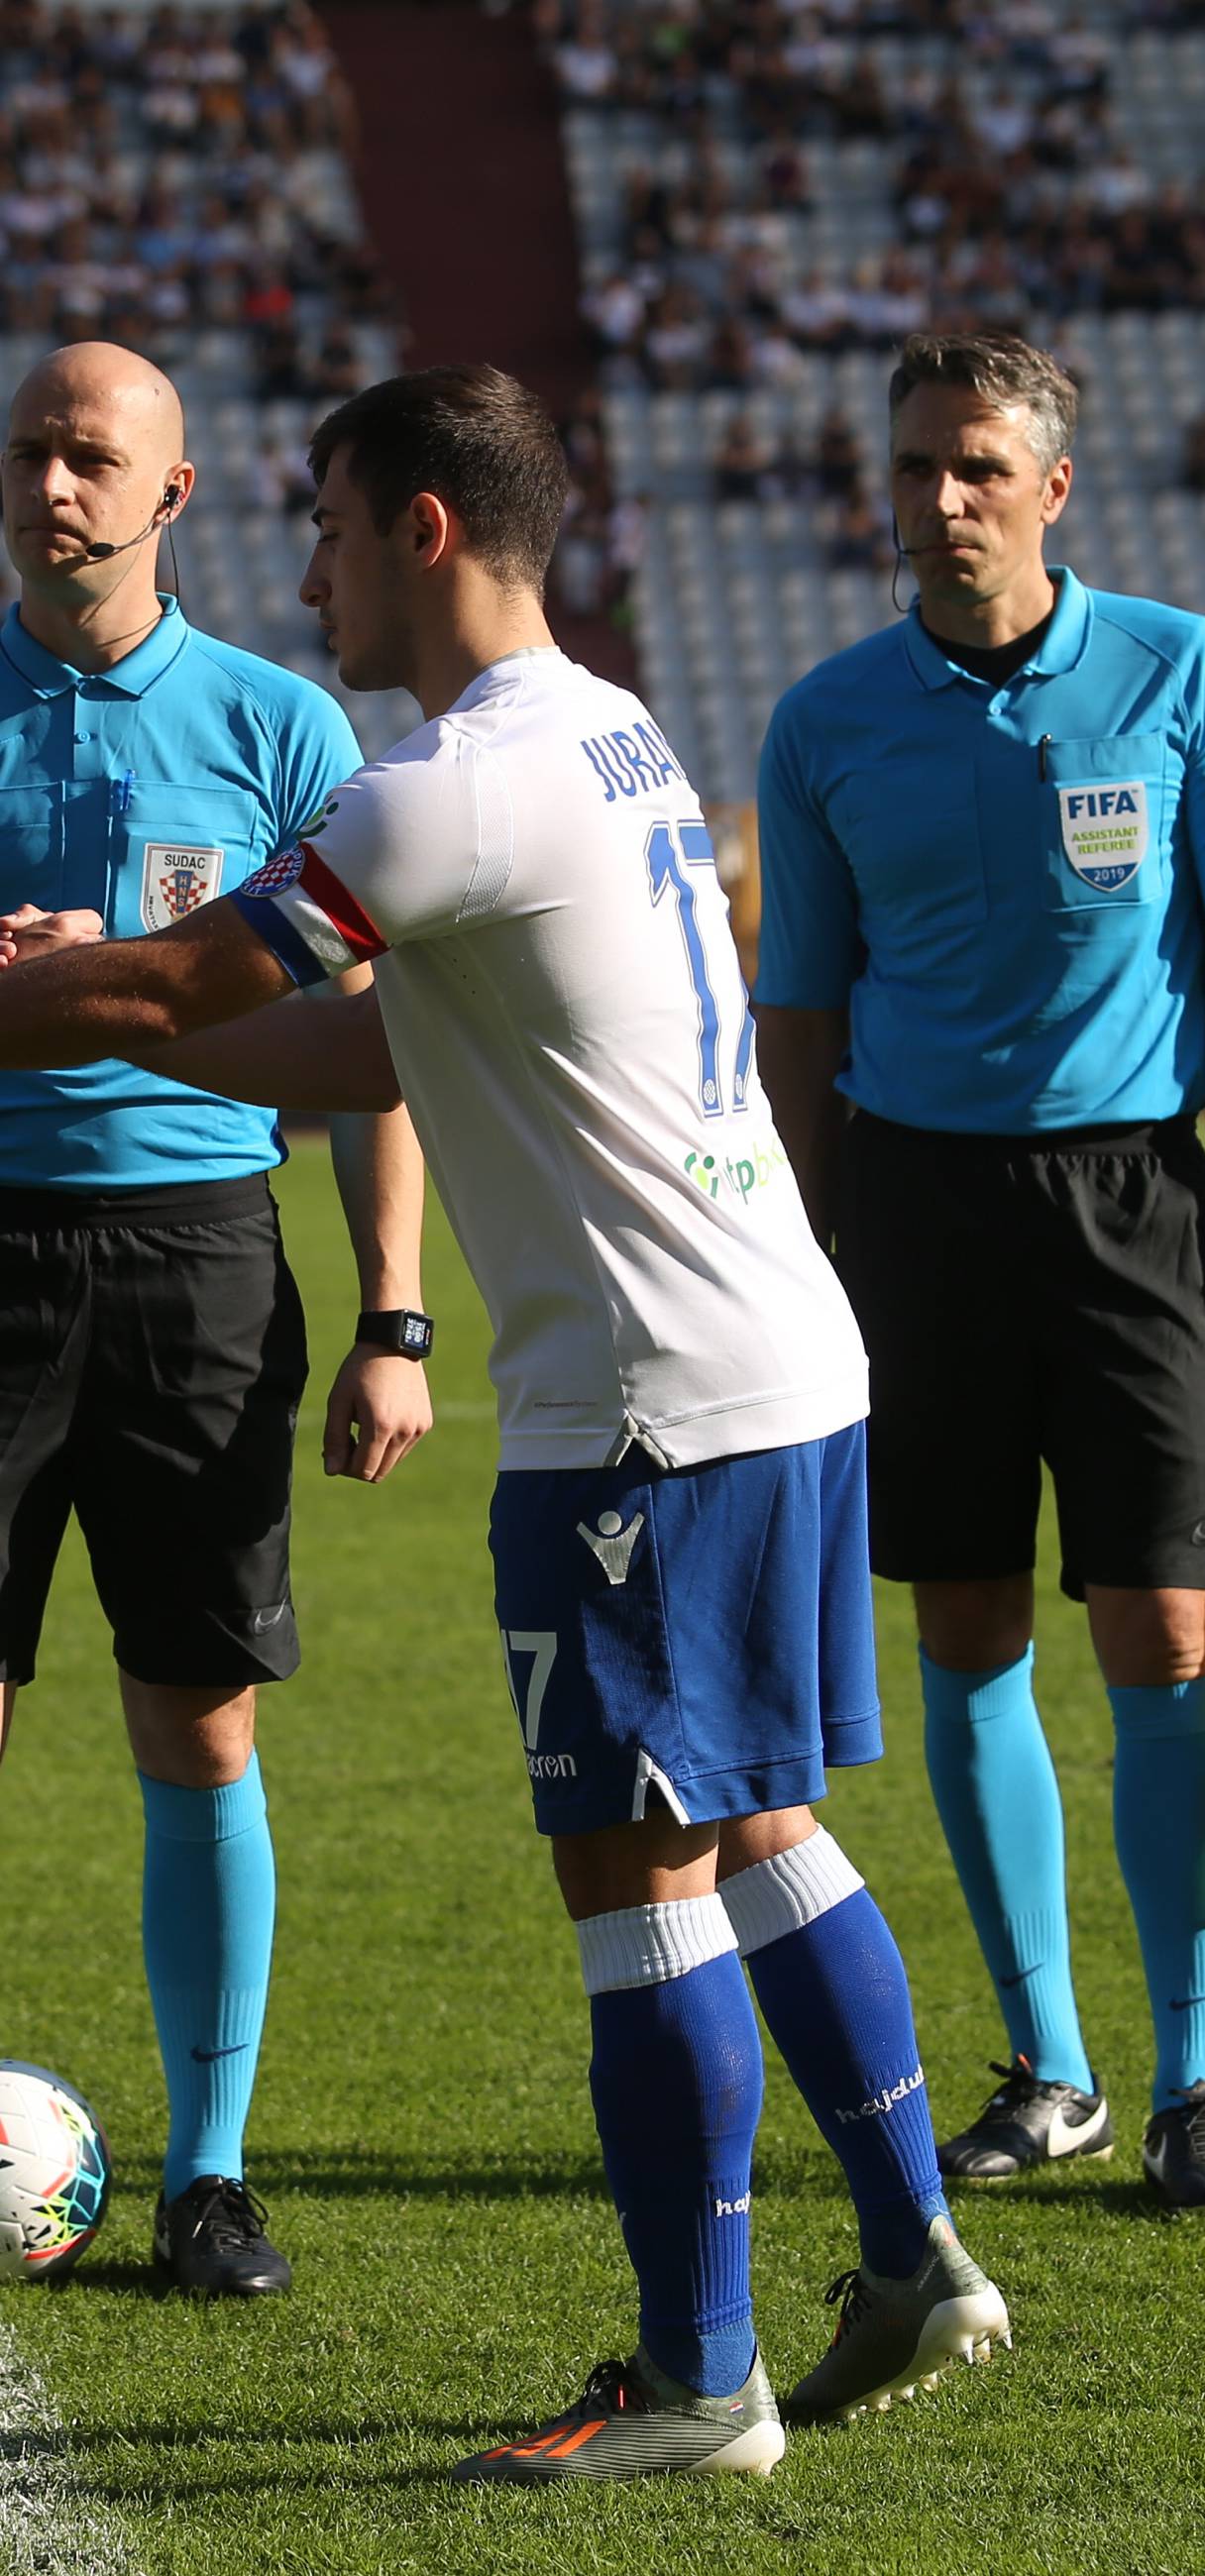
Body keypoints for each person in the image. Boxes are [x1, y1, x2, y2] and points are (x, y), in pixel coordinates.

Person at [0, 364, 1007, 2479]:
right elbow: (372, 1053)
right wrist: (112, 979)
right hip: (778, 1361)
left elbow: (196, 996)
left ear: (428, 534)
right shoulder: (607, 733)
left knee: (631, 1871)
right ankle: (915, 2250)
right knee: (757, 1830)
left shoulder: (435, 784)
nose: (311, 572)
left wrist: (87, 986)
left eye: (334, 531)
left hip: (638, 1406)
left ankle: (700, 2379)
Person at [753, 331, 1205, 2213]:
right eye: (915, 464)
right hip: (914, 1215)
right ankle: (1051, 2068)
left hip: (1136, 1212)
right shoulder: (828, 719)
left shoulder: (1184, 678)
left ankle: (1189, 2083)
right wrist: (798, 1252)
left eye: (978, 467)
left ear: (1053, 487)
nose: (939, 501)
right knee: (966, 1631)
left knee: (1159, 1635)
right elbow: (806, 1024)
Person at [0, 341, 431, 2299]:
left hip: (198, 1259)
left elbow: (384, 1050)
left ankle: (212, 2173)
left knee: (200, 1715)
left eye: (93, 456)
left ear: (172, 496)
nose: (53, 483)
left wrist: (396, 1315)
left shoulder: (276, 728)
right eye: (31, 451)